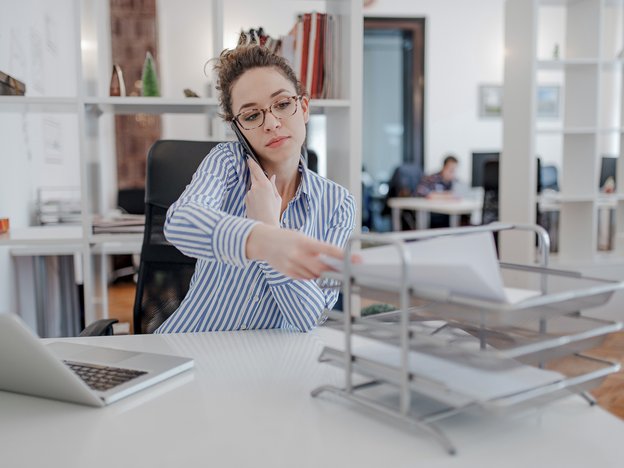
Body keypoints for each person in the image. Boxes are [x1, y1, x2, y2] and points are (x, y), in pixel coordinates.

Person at [155, 45, 355, 333]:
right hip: (192, 346)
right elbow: (180, 223)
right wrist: (263, 240)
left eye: (283, 104)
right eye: (251, 116)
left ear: (304, 108)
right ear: (237, 129)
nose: (272, 124)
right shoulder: (227, 162)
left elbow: (312, 317)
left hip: (268, 363)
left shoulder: (338, 204)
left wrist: (270, 227)